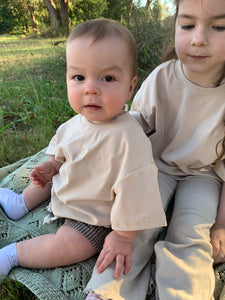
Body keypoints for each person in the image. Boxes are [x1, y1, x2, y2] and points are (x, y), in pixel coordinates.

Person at [0, 18, 166, 285]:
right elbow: (61, 153)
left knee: (69, 246)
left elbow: (136, 191)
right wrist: (51, 167)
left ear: (130, 87)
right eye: (79, 77)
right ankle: (22, 203)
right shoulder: (75, 123)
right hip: (69, 184)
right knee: (44, 178)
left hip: (92, 215)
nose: (90, 88)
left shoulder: (128, 139)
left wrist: (123, 236)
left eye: (108, 78)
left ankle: (12, 255)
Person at [85, 0, 225, 299]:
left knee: (192, 234)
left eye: (219, 27)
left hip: (205, 176)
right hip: (155, 164)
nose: (198, 38)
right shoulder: (163, 76)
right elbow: (133, 126)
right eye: (187, 25)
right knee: (134, 226)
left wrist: (222, 224)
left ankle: (185, 293)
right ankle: (109, 290)